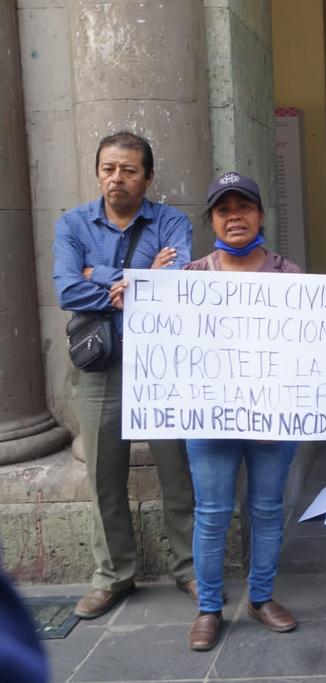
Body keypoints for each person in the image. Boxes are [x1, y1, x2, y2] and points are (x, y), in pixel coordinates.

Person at [116, 172, 326, 650]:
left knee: (267, 510)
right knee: (211, 513)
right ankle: (209, 608)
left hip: (274, 416)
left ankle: (262, 596)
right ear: (212, 220)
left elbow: (313, 341)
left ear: (260, 215)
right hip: (208, 419)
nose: (235, 217)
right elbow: (157, 342)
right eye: (224, 209)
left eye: (243, 207)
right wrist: (135, 309)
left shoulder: (289, 276)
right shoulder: (189, 279)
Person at [53, 131, 197, 619]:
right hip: (100, 365)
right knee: (102, 474)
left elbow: (173, 282)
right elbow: (68, 289)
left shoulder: (172, 221)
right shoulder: (73, 224)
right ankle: (113, 574)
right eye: (109, 168)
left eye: (129, 170)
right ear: (99, 172)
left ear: (148, 177)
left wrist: (101, 274)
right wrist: (136, 278)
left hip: (160, 362)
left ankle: (190, 567)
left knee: (176, 471)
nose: (117, 178)